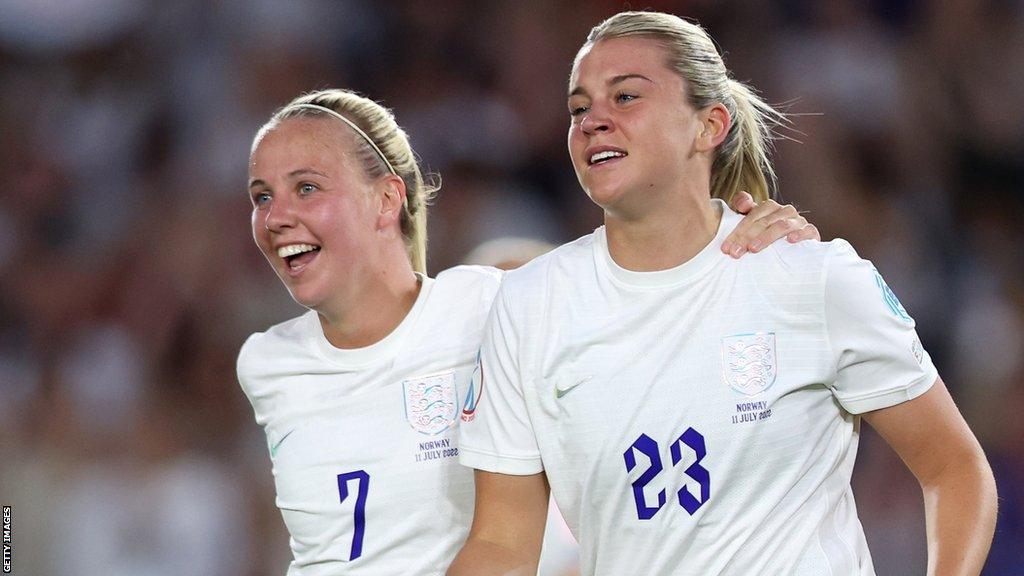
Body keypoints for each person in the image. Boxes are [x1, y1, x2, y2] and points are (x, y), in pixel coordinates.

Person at [451, 11, 997, 576]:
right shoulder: (529, 304)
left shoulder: (809, 275)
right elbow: (502, 546)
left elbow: (953, 469)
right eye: (579, 107)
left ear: (709, 125)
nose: (594, 121)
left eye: (627, 96)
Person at [237, 88, 818, 575]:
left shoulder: (495, 304)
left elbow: (653, 299)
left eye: (306, 188)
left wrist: (743, 248)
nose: (276, 216)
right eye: (262, 196)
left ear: (387, 199)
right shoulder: (265, 364)